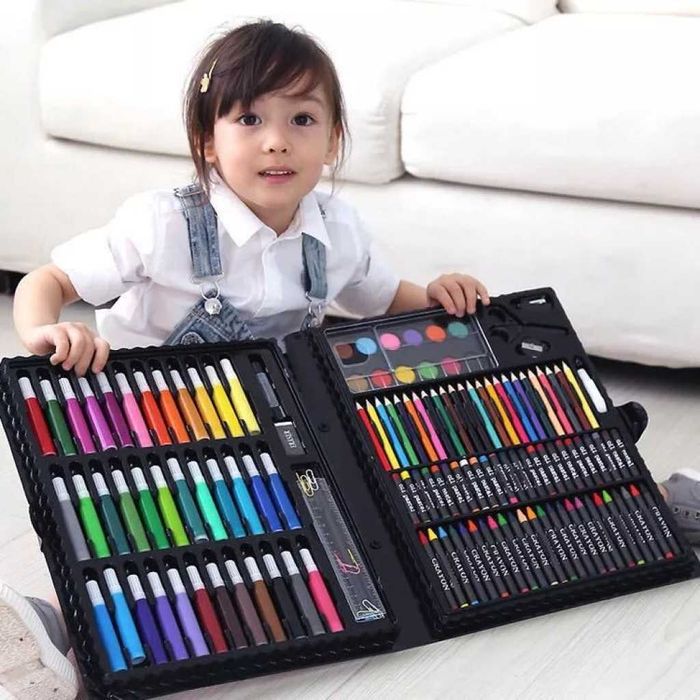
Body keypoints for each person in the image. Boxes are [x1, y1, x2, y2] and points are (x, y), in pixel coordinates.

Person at [3, 18, 698, 700]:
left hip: (276, 414)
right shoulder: (163, 222)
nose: (277, 140)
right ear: (207, 142)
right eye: (249, 119)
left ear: (334, 140)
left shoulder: (335, 229)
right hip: (151, 422)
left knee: (389, 485)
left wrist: (440, 294)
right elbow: (49, 281)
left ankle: (645, 499)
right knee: (168, 537)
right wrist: (45, 332)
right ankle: (64, 626)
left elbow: (387, 299)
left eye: (302, 119)